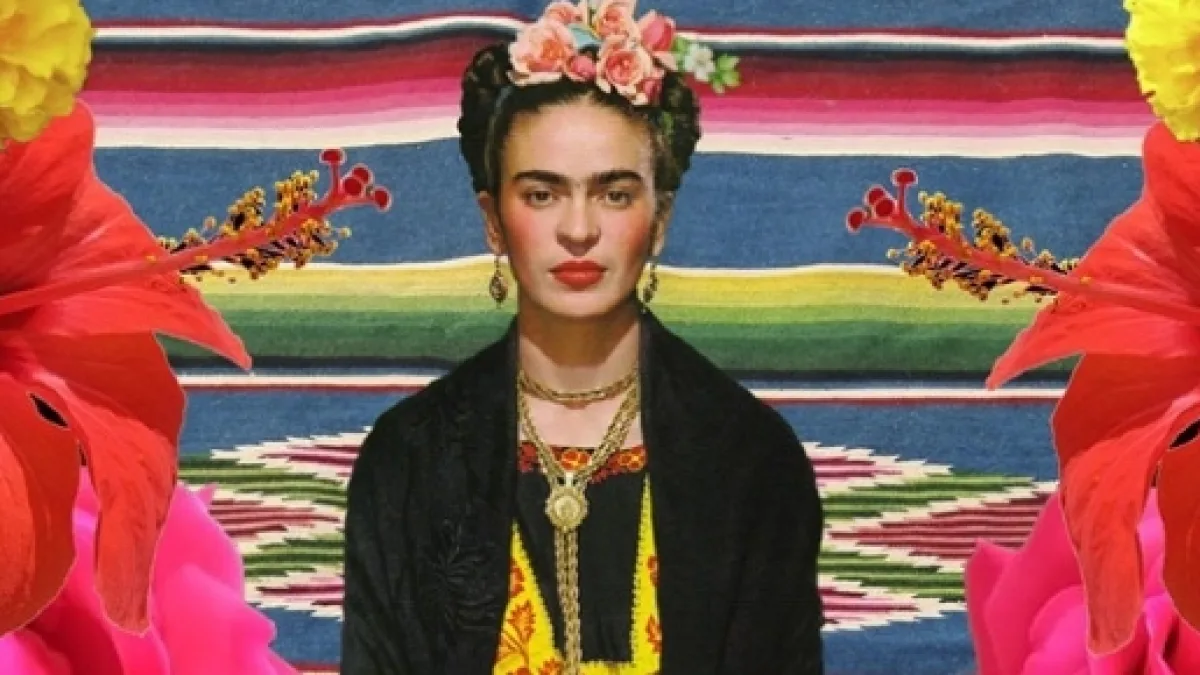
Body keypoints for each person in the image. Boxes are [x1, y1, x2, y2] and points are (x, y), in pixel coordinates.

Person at [340, 3, 825, 673]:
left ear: (660, 219)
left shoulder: (750, 459)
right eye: (542, 194)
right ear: (492, 218)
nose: (578, 230)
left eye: (614, 194)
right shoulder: (408, 459)